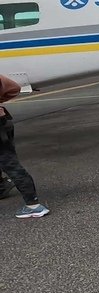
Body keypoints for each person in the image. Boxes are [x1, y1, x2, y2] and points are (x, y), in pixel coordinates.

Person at [0, 74, 50, 218]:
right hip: (3, 120)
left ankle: (33, 205)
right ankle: (2, 186)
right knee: (7, 159)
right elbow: (14, 88)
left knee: (10, 163)